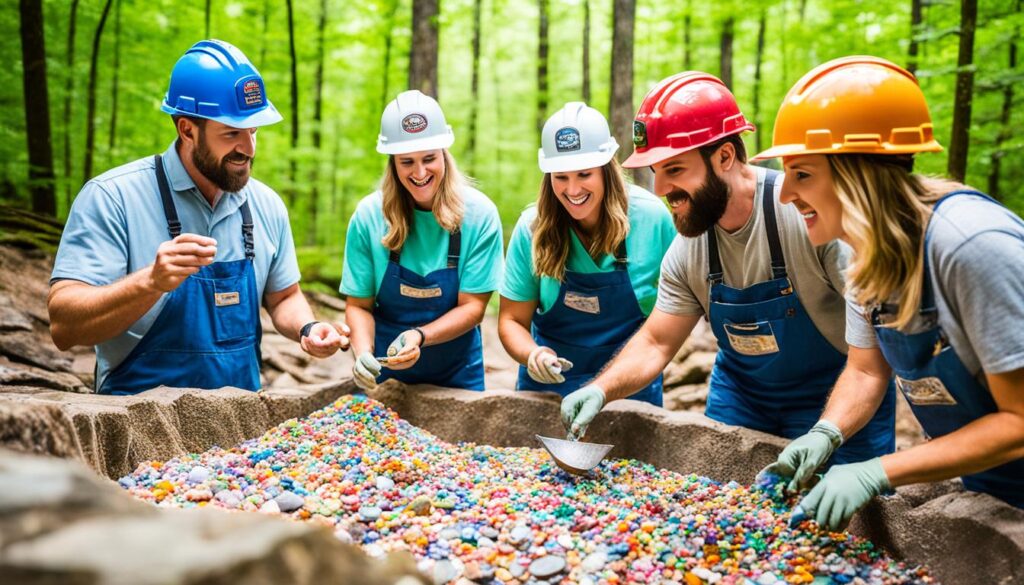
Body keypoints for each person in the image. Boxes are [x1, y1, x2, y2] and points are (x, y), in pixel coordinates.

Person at [559, 72, 896, 466]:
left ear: (724, 156)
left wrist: (827, 431)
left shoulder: (808, 217)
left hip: (836, 395)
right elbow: (656, 342)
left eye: (675, 170)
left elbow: (874, 355)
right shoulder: (687, 248)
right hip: (742, 399)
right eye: (656, 173)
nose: (661, 189)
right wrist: (600, 390)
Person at [754, 56, 1024, 528]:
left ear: (859, 174)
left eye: (802, 174)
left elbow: (1020, 422)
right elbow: (864, 370)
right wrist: (826, 431)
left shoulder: (971, 247)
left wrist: (880, 471)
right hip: (990, 486)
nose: (784, 195)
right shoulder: (858, 252)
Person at [48, 40, 348, 396]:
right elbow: (64, 327)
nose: (249, 150)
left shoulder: (267, 205)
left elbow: (284, 298)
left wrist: (308, 327)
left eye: (254, 131)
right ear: (187, 130)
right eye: (232, 133)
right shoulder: (112, 197)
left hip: (243, 432)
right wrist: (151, 282)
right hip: (136, 423)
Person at [498, 103, 675, 405]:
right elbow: (511, 320)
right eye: (560, 177)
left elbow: (677, 310)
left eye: (584, 174)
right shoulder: (532, 228)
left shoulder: (652, 220)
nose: (573, 189)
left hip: (630, 392)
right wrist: (533, 355)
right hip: (548, 390)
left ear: (607, 168)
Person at [342, 90, 503, 391]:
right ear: (392, 163)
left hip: (458, 375)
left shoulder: (480, 216)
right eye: (406, 162)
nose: (419, 172)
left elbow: (473, 307)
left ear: (445, 153)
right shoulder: (368, 217)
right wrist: (362, 353)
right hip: (385, 375)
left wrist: (419, 335)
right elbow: (358, 305)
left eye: (429, 158)